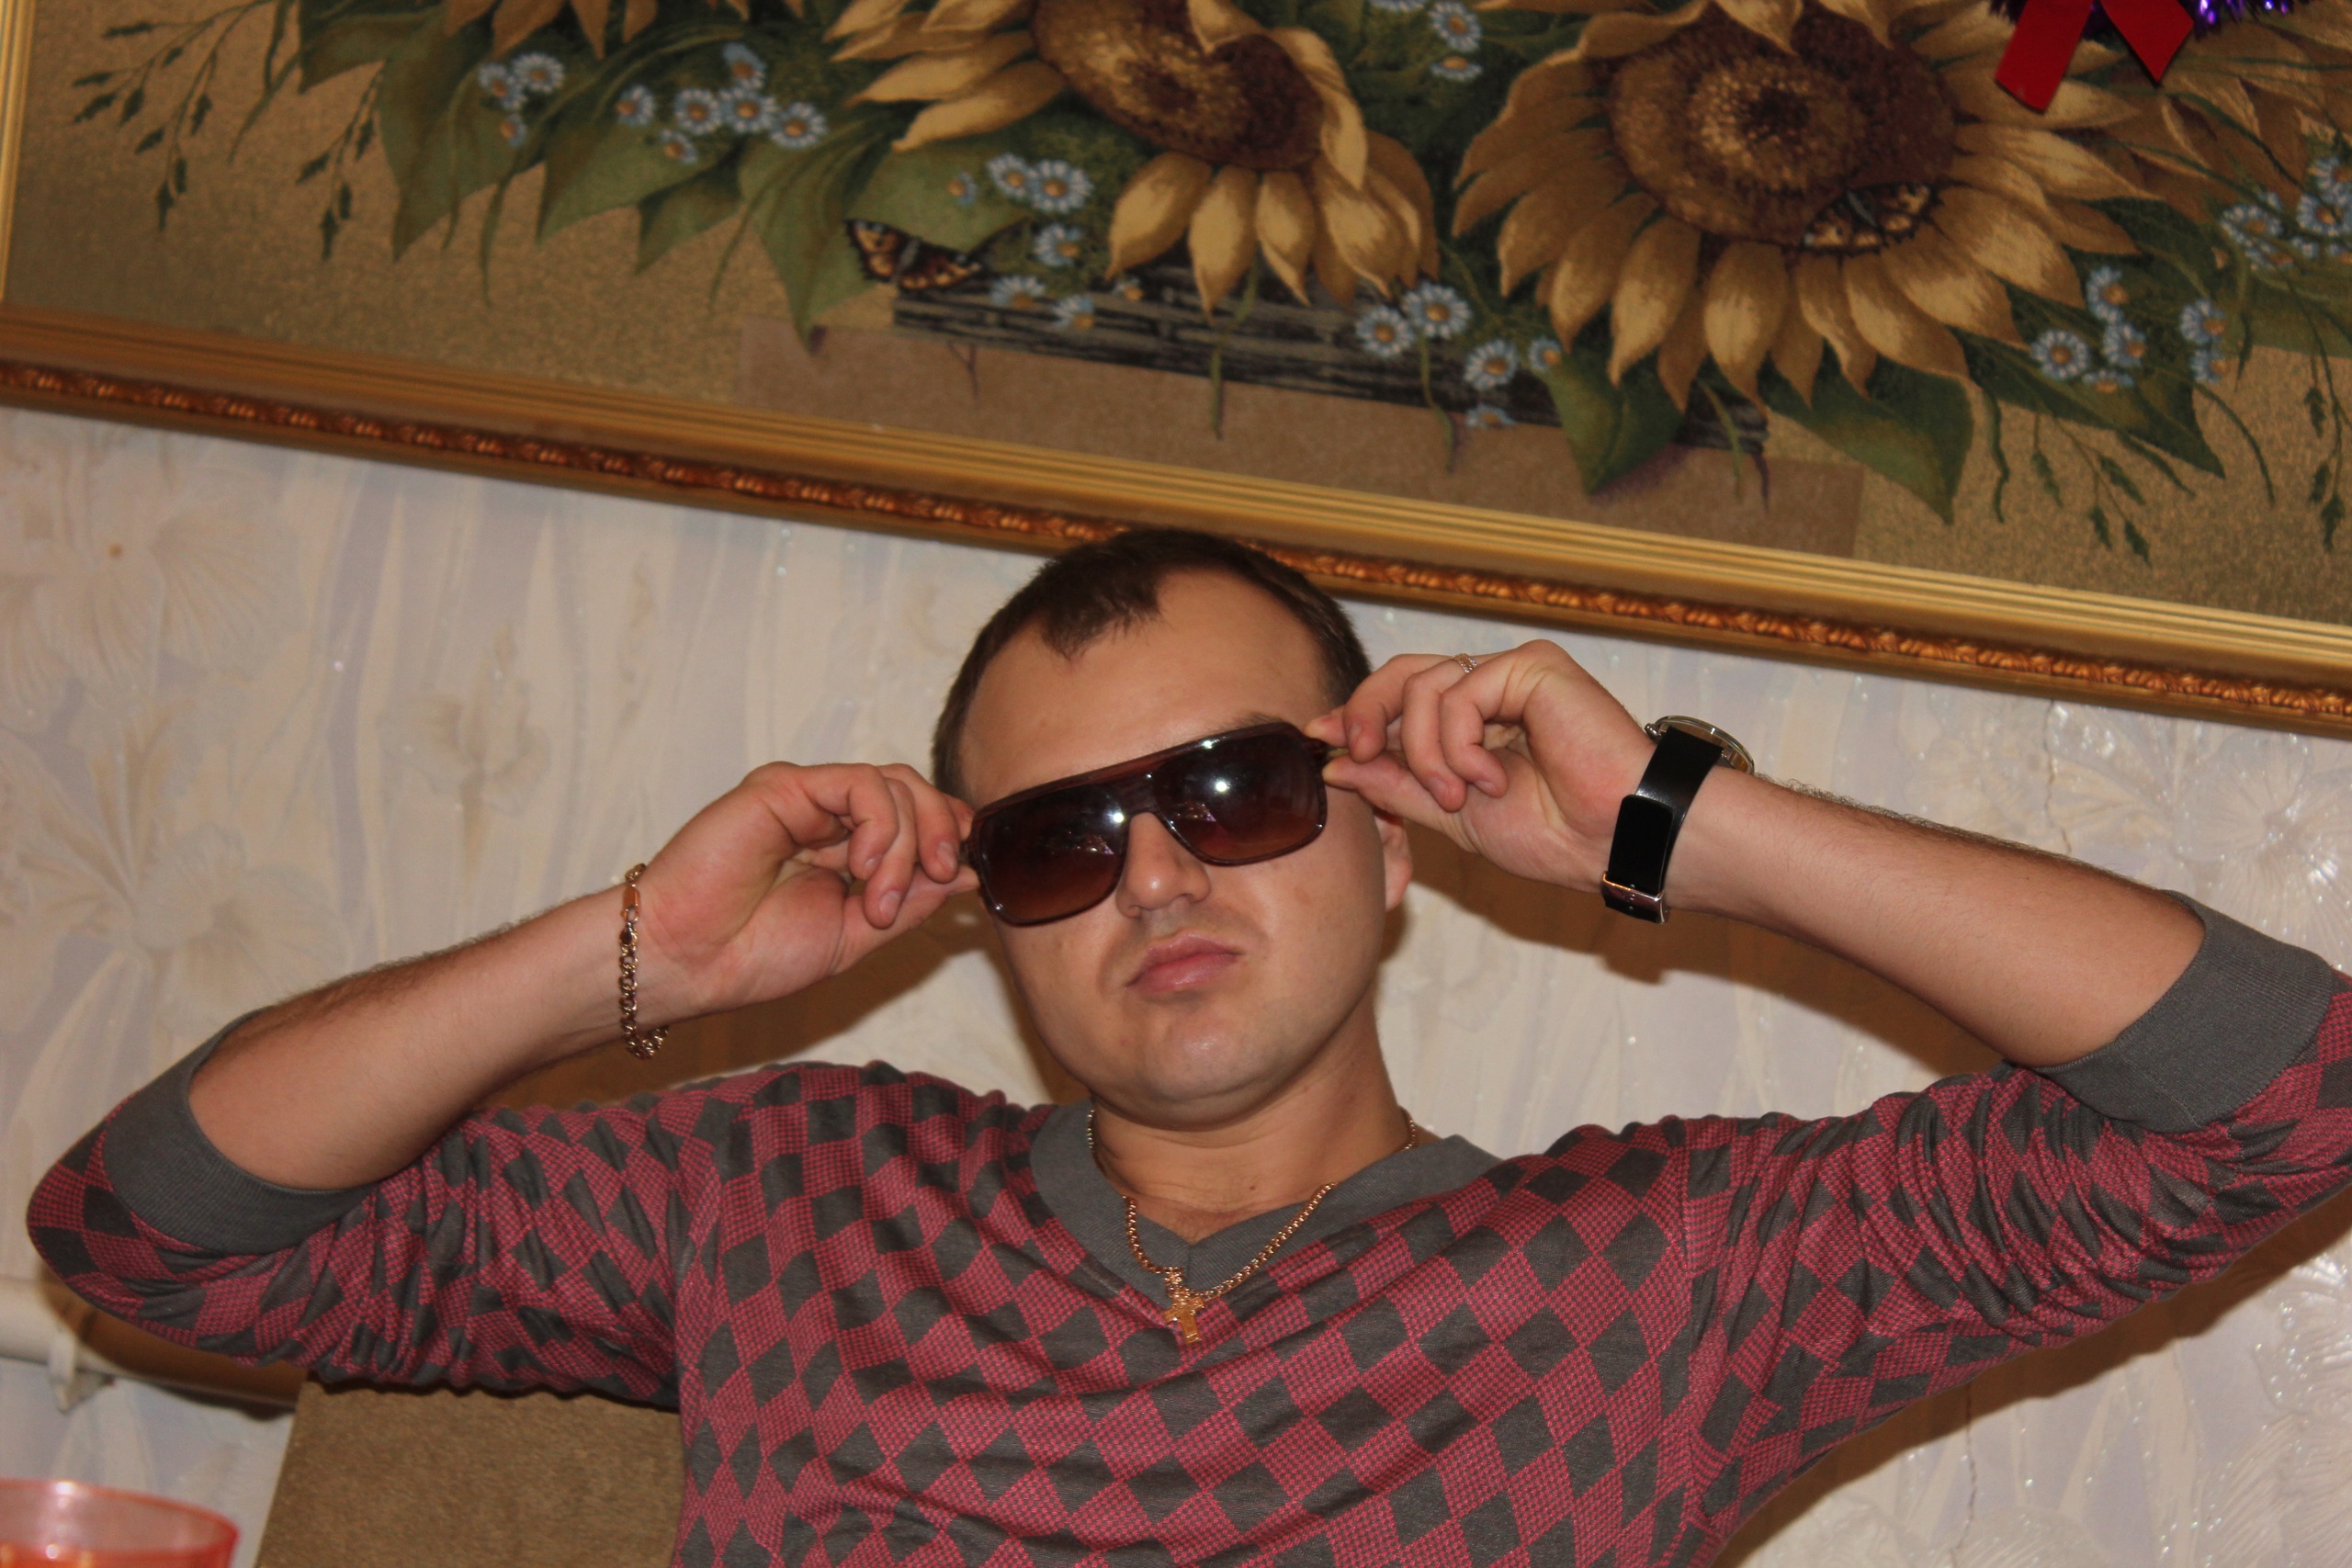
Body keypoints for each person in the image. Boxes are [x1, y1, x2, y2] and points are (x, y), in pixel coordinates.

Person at [27, 529, 2352, 1568]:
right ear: (986, 909)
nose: (1151, 876)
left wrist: (1676, 822)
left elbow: (2285, 1097)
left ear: (1389, 838)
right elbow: (147, 1235)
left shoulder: (1650, 1280)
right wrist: (633, 951)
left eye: (1230, 789)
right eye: (1056, 836)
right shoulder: (792, 1192)